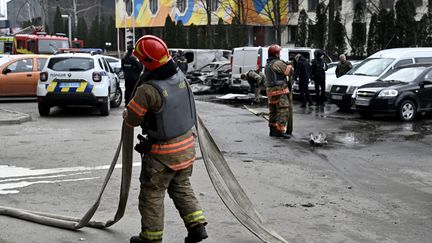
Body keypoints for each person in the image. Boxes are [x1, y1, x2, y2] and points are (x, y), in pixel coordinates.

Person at [123, 35, 208, 243]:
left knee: (152, 194)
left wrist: (127, 114)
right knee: (181, 186)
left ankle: (150, 238)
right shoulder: (179, 76)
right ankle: (197, 227)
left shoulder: (147, 90)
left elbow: (132, 119)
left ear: (147, 62)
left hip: (162, 155)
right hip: (186, 148)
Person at [264, 44, 293, 139]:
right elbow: (289, 72)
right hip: (280, 91)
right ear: (276, 54)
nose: (280, 54)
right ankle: (280, 131)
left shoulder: (267, 64)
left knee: (273, 111)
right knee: (283, 110)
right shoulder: (277, 63)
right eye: (279, 52)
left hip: (271, 92)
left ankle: (272, 130)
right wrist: (290, 65)